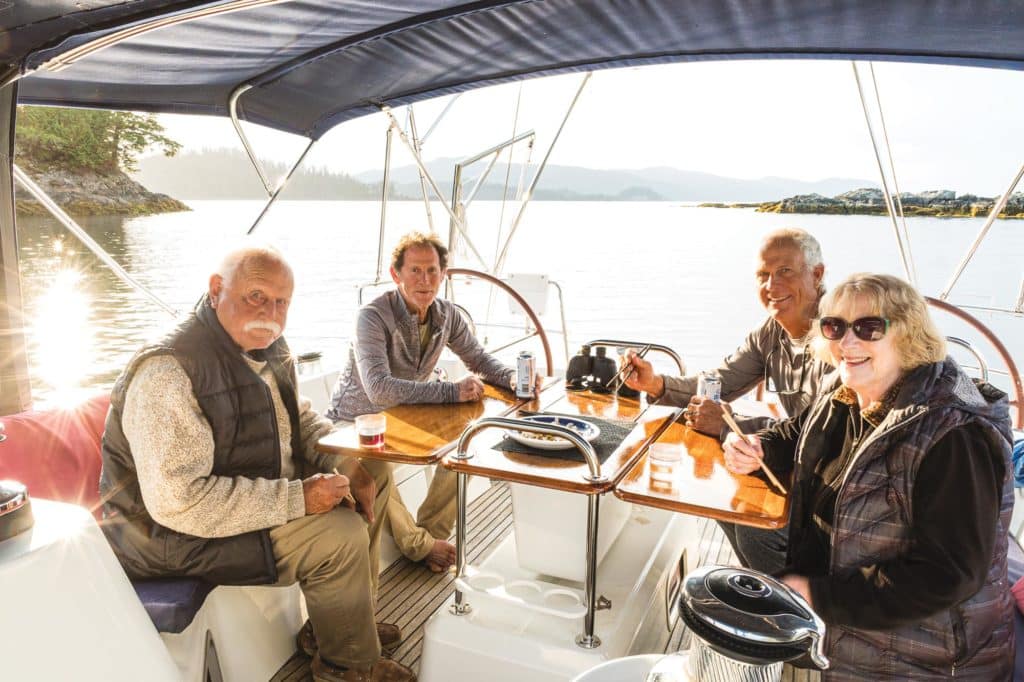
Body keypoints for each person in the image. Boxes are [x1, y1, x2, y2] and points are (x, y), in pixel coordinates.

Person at [99, 244, 415, 682]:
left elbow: (300, 420)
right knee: (339, 533)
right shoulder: (168, 373)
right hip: (170, 536)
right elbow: (181, 503)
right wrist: (298, 498)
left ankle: (341, 627)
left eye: (282, 301)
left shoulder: (266, 347)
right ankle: (347, 666)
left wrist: (347, 464)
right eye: (256, 296)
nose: (271, 312)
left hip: (242, 496)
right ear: (216, 290)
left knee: (371, 469)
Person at [724, 273, 1015, 679]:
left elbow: (948, 575)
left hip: (926, 658)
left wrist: (817, 594)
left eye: (869, 328)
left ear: (908, 335)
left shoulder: (952, 436)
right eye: (835, 327)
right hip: (849, 622)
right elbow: (794, 435)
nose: (847, 343)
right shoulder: (844, 390)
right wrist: (757, 447)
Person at [326, 231, 541, 572]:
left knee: (468, 444)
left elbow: (479, 359)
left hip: (406, 415)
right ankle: (419, 546)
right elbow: (378, 390)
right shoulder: (372, 317)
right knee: (374, 468)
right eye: (415, 270)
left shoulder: (446, 315)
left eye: (432, 271)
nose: (424, 280)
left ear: (443, 274)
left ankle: (431, 532)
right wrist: (451, 392)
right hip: (352, 422)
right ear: (396, 274)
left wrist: (513, 379)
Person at [624, 227, 833, 574]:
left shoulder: (840, 334)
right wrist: (655, 382)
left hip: (831, 481)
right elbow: (718, 382)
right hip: (792, 463)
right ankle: (775, 591)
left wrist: (727, 424)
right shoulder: (770, 333)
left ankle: (798, 610)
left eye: (785, 272)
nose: (771, 286)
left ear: (817, 274)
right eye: (763, 275)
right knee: (718, 504)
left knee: (754, 528)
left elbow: (819, 429)